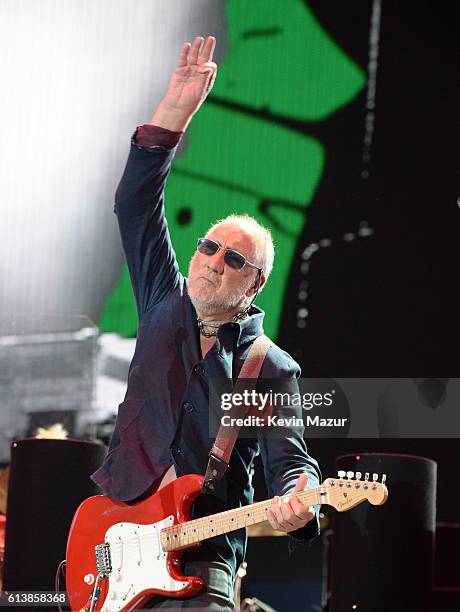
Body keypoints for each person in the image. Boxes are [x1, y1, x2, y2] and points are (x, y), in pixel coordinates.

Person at [92, 36, 321, 610]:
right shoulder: (161, 303)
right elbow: (135, 204)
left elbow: (290, 462)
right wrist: (176, 109)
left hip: (202, 553)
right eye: (209, 247)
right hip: (113, 533)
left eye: (234, 259)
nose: (214, 261)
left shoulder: (268, 369)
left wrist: (301, 497)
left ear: (255, 284)